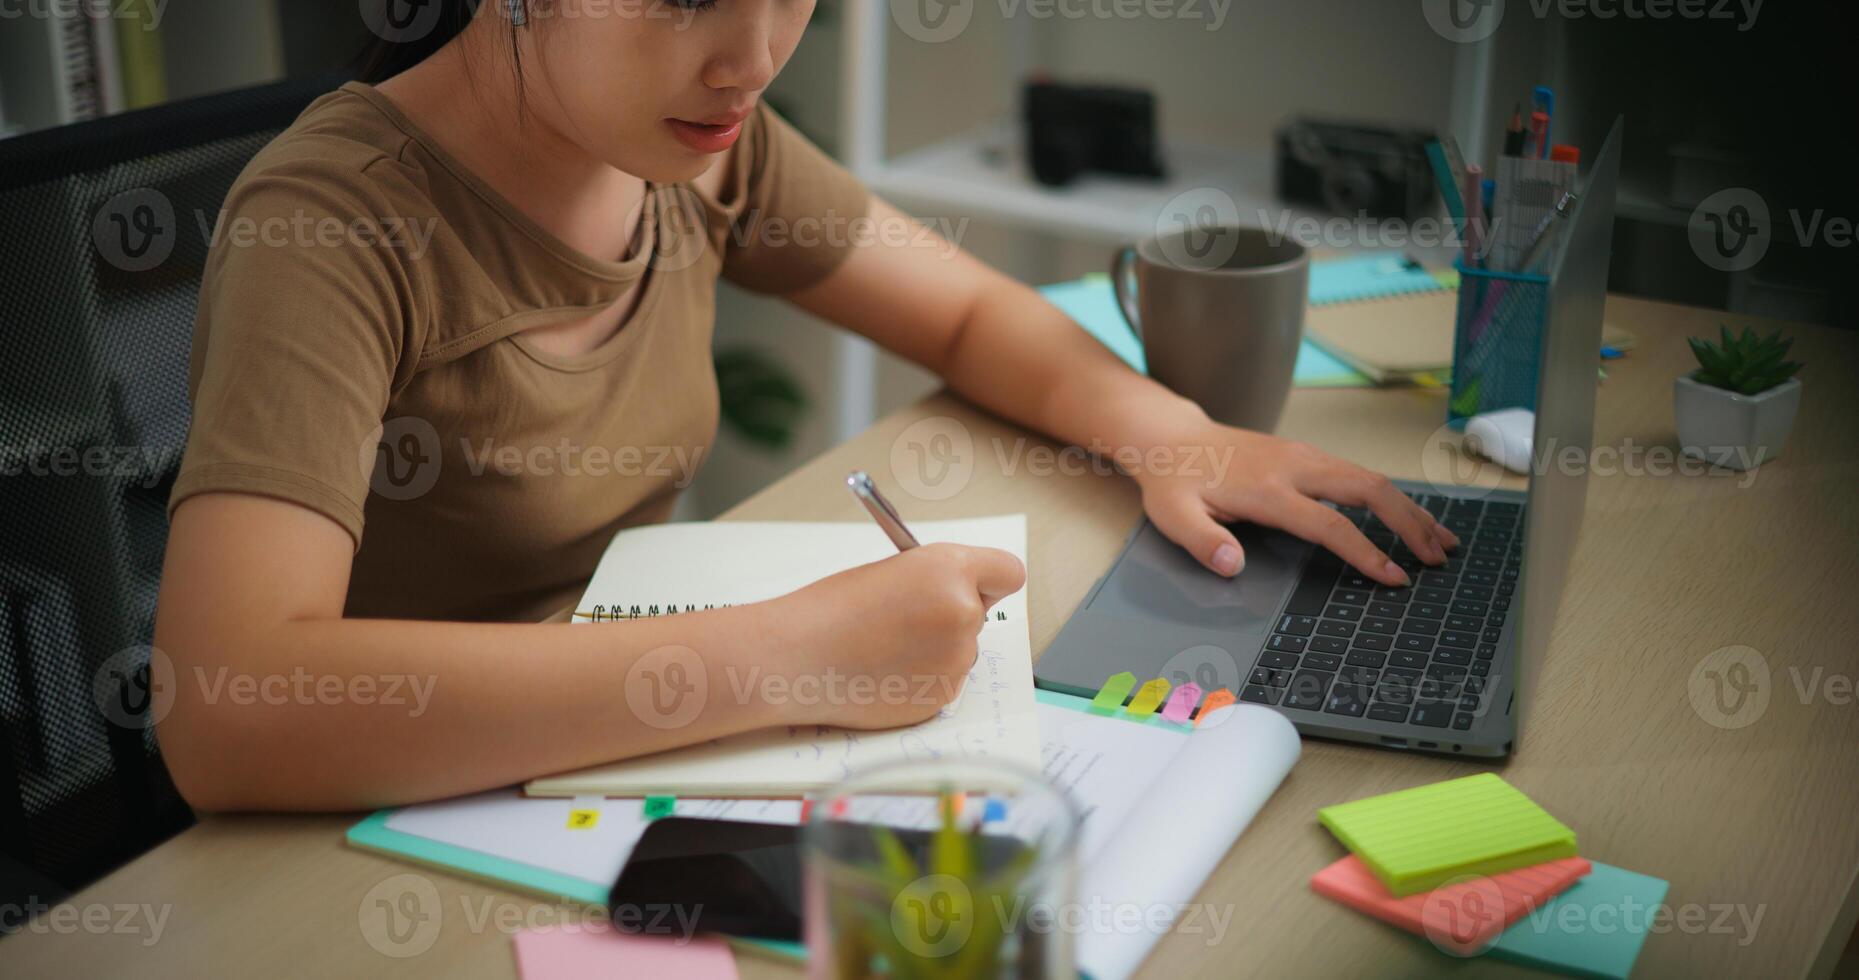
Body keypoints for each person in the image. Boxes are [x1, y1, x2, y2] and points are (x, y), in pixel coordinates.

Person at [154, 0, 1456, 810]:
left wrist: (1166, 429)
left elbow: (960, 311)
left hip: (614, 778)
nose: (752, 55)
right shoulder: (330, 227)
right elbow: (227, 709)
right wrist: (781, 660)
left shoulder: (696, 145)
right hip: (385, 828)